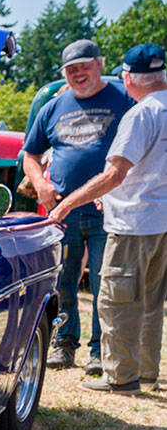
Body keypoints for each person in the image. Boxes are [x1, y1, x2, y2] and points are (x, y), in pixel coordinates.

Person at [50, 44, 167, 395]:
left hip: (132, 223)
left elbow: (116, 173)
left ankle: (121, 378)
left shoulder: (141, 113)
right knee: (150, 301)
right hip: (160, 222)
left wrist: (66, 203)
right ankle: (145, 372)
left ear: (129, 77)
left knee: (117, 303)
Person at [22, 38, 134, 375]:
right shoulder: (52, 108)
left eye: (85, 66)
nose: (78, 73)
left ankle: (100, 352)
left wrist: (116, 184)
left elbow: (142, 150)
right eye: (71, 69)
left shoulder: (125, 101)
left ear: (100, 64)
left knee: (104, 285)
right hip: (61, 212)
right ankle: (63, 344)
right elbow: (31, 155)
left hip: (108, 211)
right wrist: (41, 184)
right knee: (62, 281)